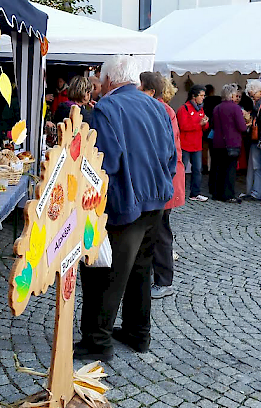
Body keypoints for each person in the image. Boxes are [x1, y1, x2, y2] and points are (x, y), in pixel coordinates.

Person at [75, 56, 176, 362]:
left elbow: (105, 161)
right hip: (155, 200)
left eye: (101, 79)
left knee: (106, 272)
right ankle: (137, 332)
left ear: (109, 80)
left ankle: (98, 341)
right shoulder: (157, 105)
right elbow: (170, 154)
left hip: (126, 202)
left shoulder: (108, 107)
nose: (99, 84)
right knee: (140, 270)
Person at [139, 72, 185, 300]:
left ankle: (164, 281)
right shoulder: (162, 108)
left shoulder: (162, 110)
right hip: (163, 180)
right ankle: (159, 279)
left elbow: (165, 151)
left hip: (164, 182)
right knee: (157, 231)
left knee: (161, 233)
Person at [209, 83, 247, 203]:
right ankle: (228, 195)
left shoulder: (217, 107)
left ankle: (217, 193)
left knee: (219, 168)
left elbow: (213, 125)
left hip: (217, 142)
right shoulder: (235, 108)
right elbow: (242, 127)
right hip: (232, 142)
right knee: (230, 170)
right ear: (231, 95)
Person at [177, 84, 209, 202]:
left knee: (197, 170)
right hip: (185, 144)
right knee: (181, 170)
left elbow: (204, 127)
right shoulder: (184, 109)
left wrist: (205, 123)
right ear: (193, 96)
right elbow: (183, 126)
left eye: (203, 95)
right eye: (201, 95)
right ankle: (177, 192)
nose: (202, 98)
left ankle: (195, 193)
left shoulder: (200, 109)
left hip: (197, 145)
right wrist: (199, 124)